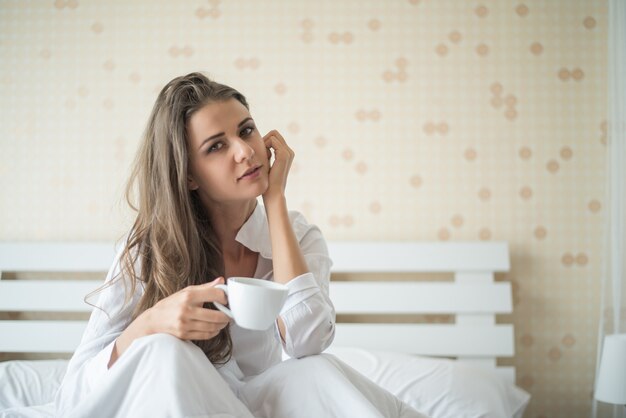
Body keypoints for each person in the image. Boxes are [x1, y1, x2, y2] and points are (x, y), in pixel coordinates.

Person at [43, 72, 427, 417]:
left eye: (246, 131)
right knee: (167, 351)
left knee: (316, 370)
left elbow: (308, 342)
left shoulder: (298, 237)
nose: (245, 151)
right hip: (180, 398)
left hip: (257, 405)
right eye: (216, 146)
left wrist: (274, 201)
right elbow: (72, 396)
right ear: (189, 176)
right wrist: (147, 325)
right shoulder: (151, 248)